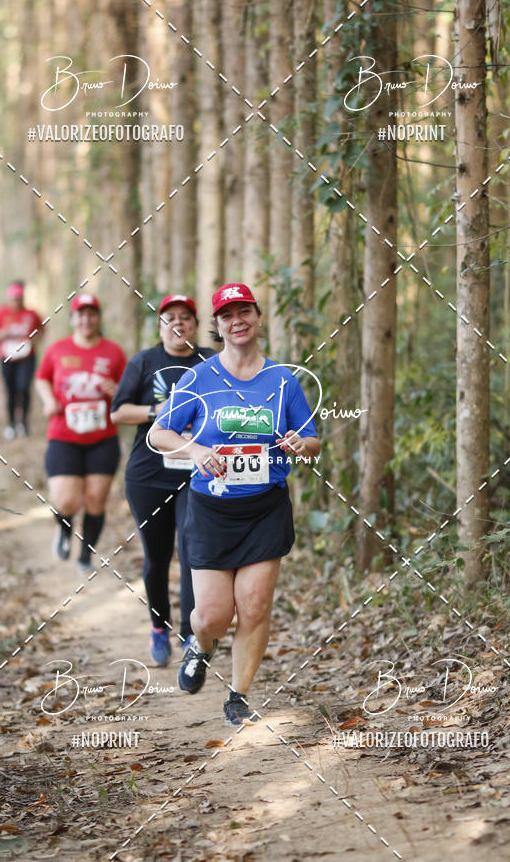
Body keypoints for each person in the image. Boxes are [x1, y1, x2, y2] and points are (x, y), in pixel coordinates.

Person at [148, 283, 320, 726]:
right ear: (218, 326)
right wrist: (193, 450)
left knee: (255, 604)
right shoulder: (199, 378)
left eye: (244, 311)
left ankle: (238, 696)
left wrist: (302, 444)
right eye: (227, 315)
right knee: (210, 616)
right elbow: (159, 433)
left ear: (258, 317)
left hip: (265, 508)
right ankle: (201, 646)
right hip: (211, 509)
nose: (236, 320)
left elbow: (313, 438)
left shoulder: (283, 380)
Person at [111, 294, 214, 666]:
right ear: (160, 326)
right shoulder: (144, 362)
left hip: (198, 472)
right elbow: (118, 412)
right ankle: (159, 627)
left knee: (191, 552)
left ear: (195, 324)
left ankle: (190, 635)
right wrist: (162, 410)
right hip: (149, 475)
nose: (178, 324)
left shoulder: (210, 362)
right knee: (157, 557)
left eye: (185, 317)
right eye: (170, 318)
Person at [34, 294, 126, 575]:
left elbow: (128, 389)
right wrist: (48, 400)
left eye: (91, 314)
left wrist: (117, 391)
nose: (86, 319)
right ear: (73, 319)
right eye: (80, 314)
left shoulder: (113, 352)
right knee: (65, 501)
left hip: (103, 437)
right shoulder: (58, 349)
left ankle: (86, 554)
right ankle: (64, 532)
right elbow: (42, 378)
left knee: (96, 499)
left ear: (98, 318)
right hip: (64, 435)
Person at [0, 281, 43, 439]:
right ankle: (11, 423)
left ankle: (24, 423)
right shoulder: (1, 313)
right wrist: (3, 334)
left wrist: (34, 339)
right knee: (11, 390)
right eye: (13, 298)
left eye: (19, 298)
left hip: (27, 357)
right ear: (9, 298)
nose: (16, 301)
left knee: (24, 388)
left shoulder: (32, 314)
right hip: (7, 357)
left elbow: (42, 330)